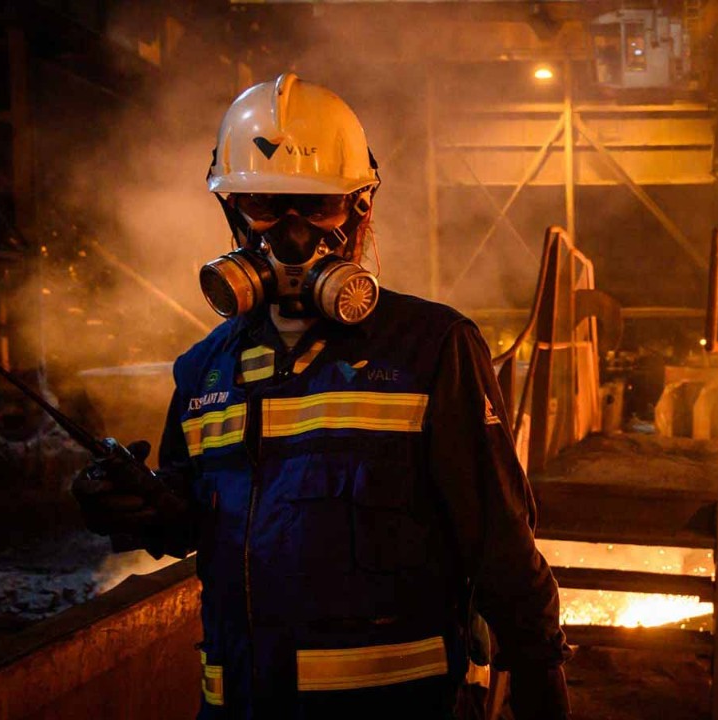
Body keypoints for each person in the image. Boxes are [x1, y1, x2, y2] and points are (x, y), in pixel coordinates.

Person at [73, 72, 571, 719]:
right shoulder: (205, 370)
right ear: (232, 211)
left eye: (316, 207)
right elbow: (199, 518)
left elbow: (500, 541)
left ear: (358, 210)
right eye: (265, 205)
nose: (290, 235)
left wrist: (540, 677)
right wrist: (133, 503)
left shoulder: (431, 349)